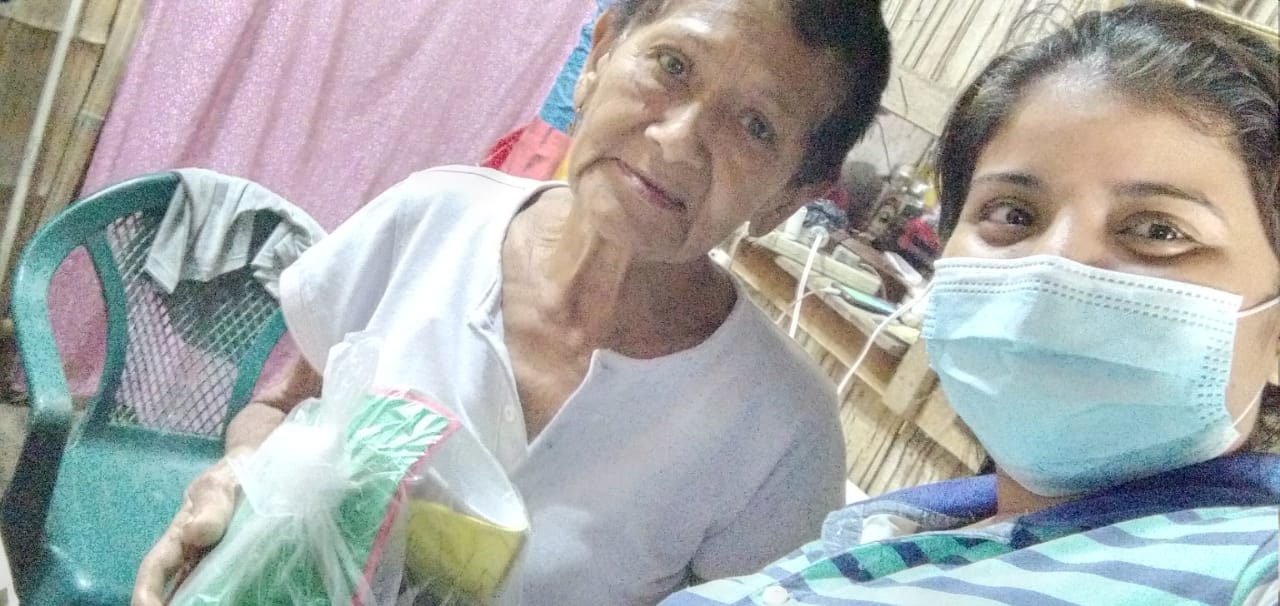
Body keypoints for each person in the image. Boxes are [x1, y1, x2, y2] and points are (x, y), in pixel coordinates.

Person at [131, 1, 891, 605]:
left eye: (756, 126)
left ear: (790, 197)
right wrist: (235, 480)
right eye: (672, 64)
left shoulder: (783, 434)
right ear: (599, 56)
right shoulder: (429, 220)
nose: (677, 140)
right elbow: (281, 408)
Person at [661, 3, 1280, 605]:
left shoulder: (1250, 566)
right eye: (1013, 213)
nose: (1052, 268)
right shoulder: (896, 535)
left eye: (1158, 231)